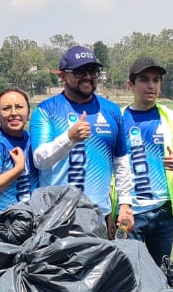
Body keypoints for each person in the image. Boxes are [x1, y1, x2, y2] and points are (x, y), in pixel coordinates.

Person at [30, 45, 133, 230]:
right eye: (80, 71)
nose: (88, 77)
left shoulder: (112, 111)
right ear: (63, 76)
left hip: (98, 215)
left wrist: (125, 203)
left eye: (93, 71)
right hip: (56, 217)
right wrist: (69, 138)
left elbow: (121, 161)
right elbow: (39, 160)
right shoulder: (46, 110)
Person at [117, 56, 173, 263]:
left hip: (163, 212)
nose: (151, 85)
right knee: (130, 274)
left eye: (156, 80)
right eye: (144, 80)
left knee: (161, 274)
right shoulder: (118, 118)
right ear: (130, 85)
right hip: (129, 214)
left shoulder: (171, 119)